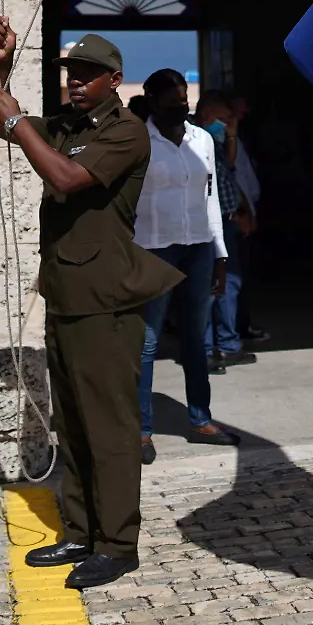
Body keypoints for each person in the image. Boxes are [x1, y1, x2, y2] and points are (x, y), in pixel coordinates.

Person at [0, 20, 180, 590]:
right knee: (71, 422)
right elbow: (0, 122)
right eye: (71, 73)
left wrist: (21, 120)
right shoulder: (68, 124)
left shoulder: (127, 132)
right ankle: (78, 530)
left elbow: (66, 178)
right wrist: (2, 65)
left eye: (89, 76)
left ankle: (117, 543)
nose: (75, 83)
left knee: (109, 427)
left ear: (115, 80)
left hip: (106, 300)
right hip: (67, 293)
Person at [133, 69, 241, 463]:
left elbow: (209, 197)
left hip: (197, 248)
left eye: (185, 94)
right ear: (152, 100)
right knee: (147, 341)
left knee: (196, 338)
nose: (183, 102)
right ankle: (141, 431)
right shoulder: (137, 140)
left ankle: (200, 420)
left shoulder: (202, 139)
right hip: (152, 249)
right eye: (174, 96)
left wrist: (220, 253)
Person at [196, 91, 257, 370]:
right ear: (207, 116)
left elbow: (229, 173)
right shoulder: (194, 143)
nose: (227, 125)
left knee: (228, 285)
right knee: (209, 289)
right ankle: (206, 350)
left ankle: (228, 344)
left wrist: (241, 213)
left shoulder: (215, 142)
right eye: (223, 119)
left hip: (226, 222)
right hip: (207, 226)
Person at [225, 90, 271, 343]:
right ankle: (230, 335)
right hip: (234, 215)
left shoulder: (240, 139)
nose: (243, 113)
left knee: (241, 275)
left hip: (245, 210)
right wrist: (242, 212)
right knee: (231, 278)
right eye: (238, 108)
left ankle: (239, 326)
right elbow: (230, 178)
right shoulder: (221, 139)